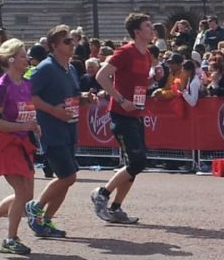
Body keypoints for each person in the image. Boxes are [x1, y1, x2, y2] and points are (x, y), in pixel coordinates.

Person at [0, 40, 42, 255]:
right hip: (6, 142)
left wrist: (33, 125)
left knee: (27, 194)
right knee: (21, 192)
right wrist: (24, 125)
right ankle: (11, 239)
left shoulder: (26, 83)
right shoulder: (2, 86)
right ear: (11, 60)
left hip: (22, 141)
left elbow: (27, 110)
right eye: (22, 56)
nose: (27, 59)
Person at [23, 26, 91, 238]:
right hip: (52, 130)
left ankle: (44, 221)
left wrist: (86, 97)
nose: (73, 44)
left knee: (68, 178)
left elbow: (72, 95)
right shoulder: (45, 68)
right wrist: (53, 111)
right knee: (68, 176)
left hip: (69, 128)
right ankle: (35, 207)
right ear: (54, 46)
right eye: (67, 41)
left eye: (72, 41)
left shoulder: (70, 69)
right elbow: (28, 95)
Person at [91, 13, 157, 225]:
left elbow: (139, 83)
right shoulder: (125, 52)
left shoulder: (146, 54)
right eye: (148, 26)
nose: (152, 29)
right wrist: (120, 99)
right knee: (137, 161)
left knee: (134, 165)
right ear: (137, 32)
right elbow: (101, 76)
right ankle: (102, 193)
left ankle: (116, 208)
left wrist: (152, 79)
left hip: (137, 113)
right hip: (121, 114)